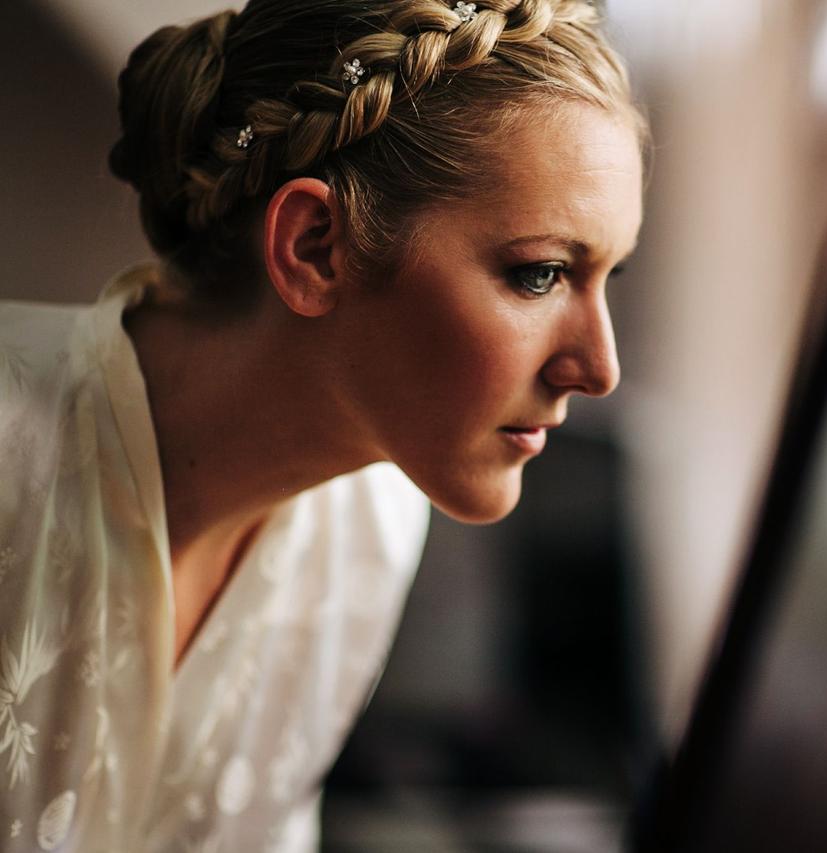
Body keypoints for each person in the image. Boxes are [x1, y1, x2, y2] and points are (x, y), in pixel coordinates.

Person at [0, 0, 644, 849]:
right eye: (540, 275)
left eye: (608, 277)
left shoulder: (373, 523)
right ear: (314, 246)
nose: (600, 367)